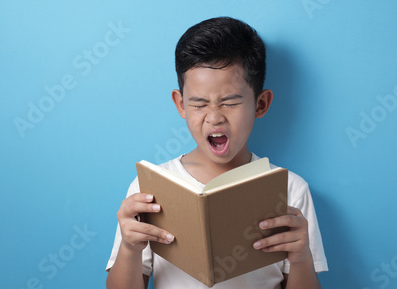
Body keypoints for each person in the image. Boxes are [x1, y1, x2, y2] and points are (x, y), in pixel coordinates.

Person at [106, 17, 328, 288]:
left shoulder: (290, 190)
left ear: (260, 104)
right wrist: (129, 250)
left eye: (230, 102)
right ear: (181, 105)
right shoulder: (149, 188)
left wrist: (302, 258)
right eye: (199, 104)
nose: (214, 118)